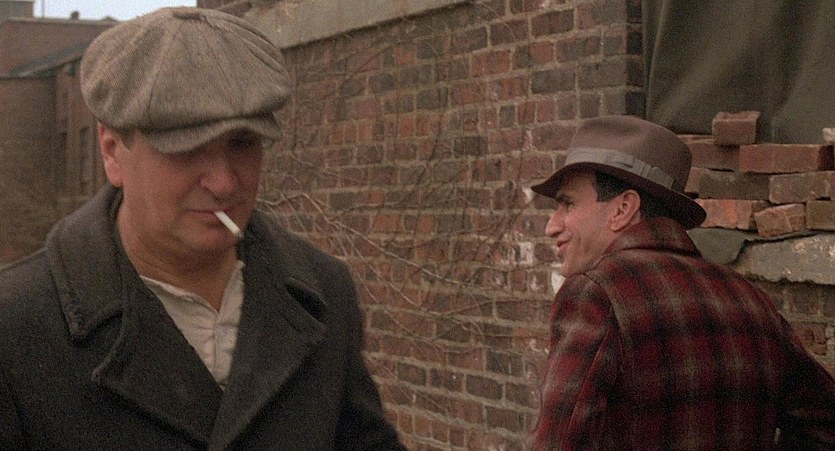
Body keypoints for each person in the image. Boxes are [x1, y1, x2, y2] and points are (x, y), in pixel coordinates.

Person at [0, 7, 405, 450]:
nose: (224, 182)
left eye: (242, 143)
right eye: (187, 148)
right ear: (113, 151)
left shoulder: (322, 294)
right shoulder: (19, 329)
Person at [529, 115, 835, 450]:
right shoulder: (751, 299)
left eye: (568, 203)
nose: (551, 226)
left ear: (623, 209)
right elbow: (825, 427)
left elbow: (558, 443)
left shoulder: (596, 294)